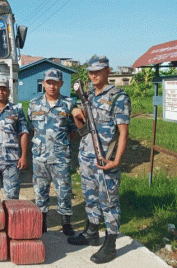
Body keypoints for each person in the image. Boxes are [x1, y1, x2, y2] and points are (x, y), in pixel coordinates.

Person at [67, 55, 131, 264]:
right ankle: (91, 233)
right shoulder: (89, 97)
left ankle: (110, 244)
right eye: (91, 72)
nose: (94, 75)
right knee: (90, 196)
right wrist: (77, 116)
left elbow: (123, 133)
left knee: (109, 201)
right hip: (87, 156)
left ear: (108, 71)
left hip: (106, 159)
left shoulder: (117, 97)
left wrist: (116, 160)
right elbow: (85, 131)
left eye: (98, 71)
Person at [27, 68, 76, 237]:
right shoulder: (33, 104)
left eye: (55, 83)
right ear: (43, 83)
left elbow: (73, 130)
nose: (52, 86)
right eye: (49, 83)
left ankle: (66, 222)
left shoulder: (69, 104)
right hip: (40, 157)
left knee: (64, 189)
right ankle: (42, 221)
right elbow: (31, 128)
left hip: (61, 156)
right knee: (40, 190)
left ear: (61, 84)